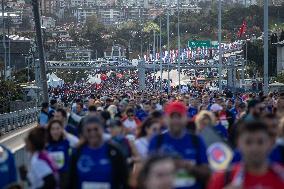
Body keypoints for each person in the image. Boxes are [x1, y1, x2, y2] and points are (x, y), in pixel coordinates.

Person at [149, 101, 210, 189]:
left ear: (186, 118)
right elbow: (149, 173)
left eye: (179, 116)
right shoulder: (157, 140)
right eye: (172, 116)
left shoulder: (196, 140)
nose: (175, 120)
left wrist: (187, 166)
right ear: (166, 119)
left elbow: (207, 172)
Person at [208, 121, 284, 189]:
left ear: (270, 144)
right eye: (248, 142)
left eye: (260, 142)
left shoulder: (281, 175)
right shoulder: (223, 178)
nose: (254, 148)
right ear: (238, 144)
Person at [67, 116, 129, 189]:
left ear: (102, 129)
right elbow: (71, 181)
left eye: (96, 129)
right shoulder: (77, 152)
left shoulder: (114, 151)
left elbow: (124, 180)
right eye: (89, 130)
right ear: (84, 132)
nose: (93, 133)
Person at [46, 120, 74, 188]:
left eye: (58, 128)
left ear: (62, 130)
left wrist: (66, 134)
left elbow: (77, 143)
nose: (55, 132)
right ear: (49, 131)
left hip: (65, 181)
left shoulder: (67, 142)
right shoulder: (46, 146)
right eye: (53, 129)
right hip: (51, 181)